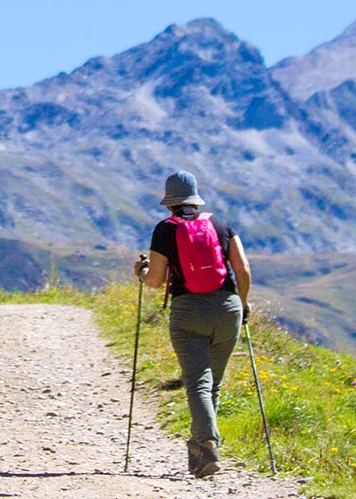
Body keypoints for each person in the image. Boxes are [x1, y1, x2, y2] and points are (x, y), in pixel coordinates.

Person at [134, 170, 251, 479]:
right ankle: (200, 450)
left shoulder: (165, 230)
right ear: (195, 200)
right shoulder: (221, 224)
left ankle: (208, 443)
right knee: (213, 382)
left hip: (188, 312)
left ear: (169, 203)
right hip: (228, 308)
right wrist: (242, 302)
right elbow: (243, 268)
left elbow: (156, 281)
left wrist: (140, 273)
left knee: (197, 381)